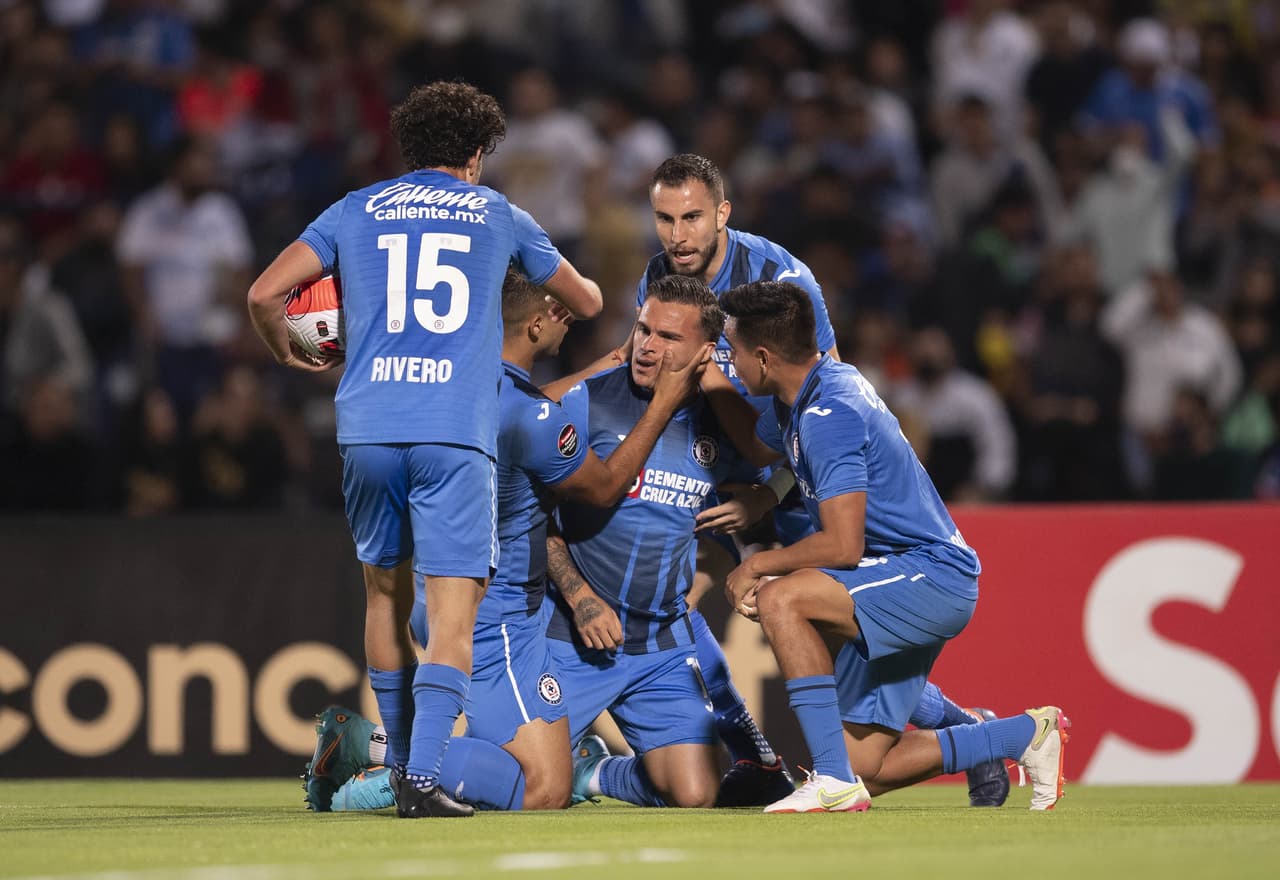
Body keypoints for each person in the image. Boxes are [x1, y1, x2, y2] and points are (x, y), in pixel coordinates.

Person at [247, 81, 603, 819]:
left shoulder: (355, 207)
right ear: (476, 154)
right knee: (451, 615)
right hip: (452, 430)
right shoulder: (497, 212)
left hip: (368, 426)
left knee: (383, 594)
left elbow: (261, 295)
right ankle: (420, 776)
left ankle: (394, 757)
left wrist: (288, 352)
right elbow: (589, 300)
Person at [633, 153, 1008, 807]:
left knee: (826, 628)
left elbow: (821, 396)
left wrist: (773, 490)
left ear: (722, 213)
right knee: (695, 603)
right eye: (665, 218)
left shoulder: (780, 276)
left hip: (790, 485)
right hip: (715, 476)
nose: (677, 234)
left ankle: (930, 736)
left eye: (691, 216)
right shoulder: (657, 276)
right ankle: (781, 755)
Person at [301, 269, 704, 812]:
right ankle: (369, 756)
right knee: (544, 787)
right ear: (535, 324)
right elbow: (605, 487)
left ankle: (395, 752)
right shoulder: (532, 418)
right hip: (499, 617)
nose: (565, 317)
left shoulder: (457, 388)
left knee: (548, 764)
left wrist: (603, 366)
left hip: (439, 590)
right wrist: (663, 404)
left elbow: (525, 408)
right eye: (554, 311)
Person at [713, 280, 1068, 813]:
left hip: (928, 575)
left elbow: (843, 544)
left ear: (763, 358)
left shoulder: (826, 416)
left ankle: (829, 780)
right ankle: (1023, 736)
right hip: (899, 572)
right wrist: (767, 490)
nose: (730, 364)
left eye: (734, 353)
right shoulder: (813, 389)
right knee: (869, 768)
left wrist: (758, 563)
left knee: (782, 599)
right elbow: (766, 443)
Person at [549, 274, 756, 808]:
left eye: (668, 338)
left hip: (659, 646)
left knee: (695, 795)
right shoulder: (588, 401)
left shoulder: (721, 425)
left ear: (705, 352)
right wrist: (579, 597)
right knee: (526, 784)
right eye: (643, 329)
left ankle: (592, 773)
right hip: (572, 635)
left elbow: (778, 467)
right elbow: (534, 514)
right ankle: (375, 750)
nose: (647, 345)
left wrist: (763, 502)